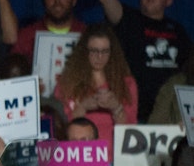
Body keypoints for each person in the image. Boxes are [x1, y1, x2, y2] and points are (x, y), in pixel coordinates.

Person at [98, 0, 193, 121]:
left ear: (169, 0)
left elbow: (188, 72)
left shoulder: (178, 31)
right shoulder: (129, 19)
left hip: (169, 116)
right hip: (132, 112)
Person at [53, 23, 137, 151]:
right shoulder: (67, 83)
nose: (100, 57)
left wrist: (116, 108)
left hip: (114, 158)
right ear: (84, 52)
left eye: (105, 51)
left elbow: (132, 132)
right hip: (78, 156)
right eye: (94, 51)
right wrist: (82, 107)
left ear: (112, 52)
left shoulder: (126, 84)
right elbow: (59, 129)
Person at [11, 0, 86, 64]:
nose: (57, 1)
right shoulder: (27, 36)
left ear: (73, 1)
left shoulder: (86, 35)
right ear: (43, 0)